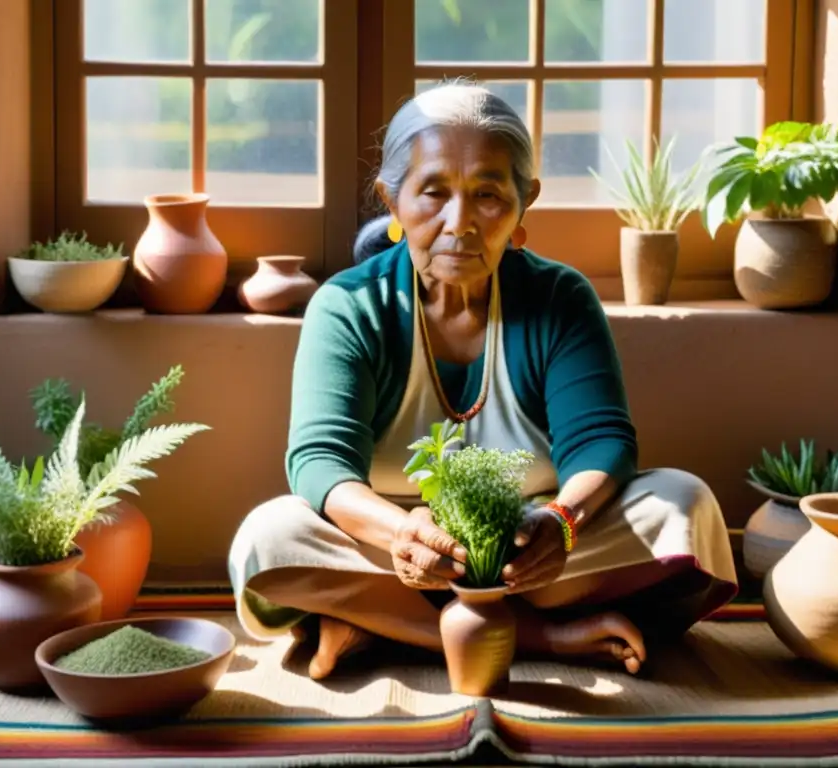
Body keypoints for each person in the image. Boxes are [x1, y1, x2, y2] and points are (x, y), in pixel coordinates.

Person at [228, 81, 737, 682]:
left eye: (489, 195)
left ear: (525, 203)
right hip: (394, 551)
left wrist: (562, 524)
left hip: (537, 554)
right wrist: (402, 534)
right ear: (392, 201)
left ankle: (379, 622)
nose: (459, 223)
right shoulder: (349, 305)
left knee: (684, 505)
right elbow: (319, 462)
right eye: (434, 192)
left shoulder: (559, 297)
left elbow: (603, 442)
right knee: (269, 538)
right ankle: (542, 639)